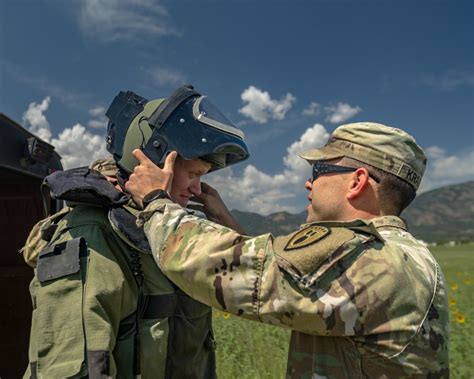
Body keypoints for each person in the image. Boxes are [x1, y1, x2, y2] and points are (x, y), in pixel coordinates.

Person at [126, 122, 450, 378]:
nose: (308, 184)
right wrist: (224, 219)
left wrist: (156, 202)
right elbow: (285, 273)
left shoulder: (369, 258)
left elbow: (226, 270)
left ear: (357, 181)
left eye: (318, 172)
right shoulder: (401, 253)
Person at [22, 85, 249, 378]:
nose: (198, 189)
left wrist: (222, 216)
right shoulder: (93, 235)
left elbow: (250, 280)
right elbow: (71, 368)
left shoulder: (163, 228)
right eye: (193, 174)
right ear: (152, 163)